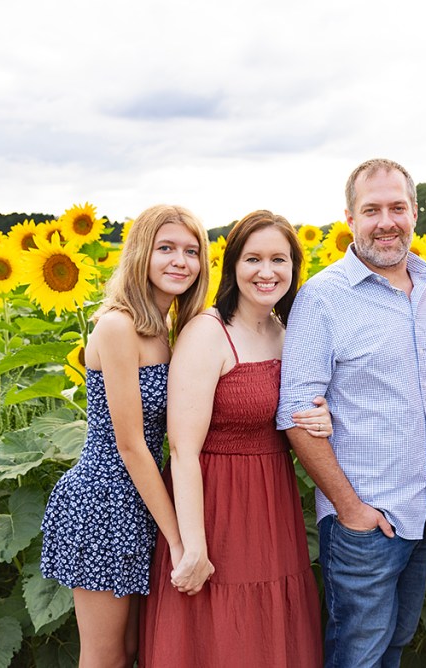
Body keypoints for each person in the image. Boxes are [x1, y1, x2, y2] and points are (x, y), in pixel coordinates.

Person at [277, 158, 426, 667]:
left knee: (393, 646)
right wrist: (351, 510)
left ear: (415, 212)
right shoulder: (323, 298)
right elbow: (295, 416)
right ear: (349, 219)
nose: (386, 221)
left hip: (425, 516)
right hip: (364, 523)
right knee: (359, 655)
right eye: (371, 209)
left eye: (397, 207)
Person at [138, 210, 327, 667]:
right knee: (220, 635)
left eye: (279, 259)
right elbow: (182, 450)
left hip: (272, 502)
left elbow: (293, 410)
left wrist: (322, 418)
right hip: (215, 503)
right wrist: (194, 544)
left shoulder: (286, 333)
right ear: (233, 266)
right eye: (253, 259)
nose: (267, 272)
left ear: (294, 267)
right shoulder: (208, 332)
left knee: (267, 632)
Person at [40, 204, 209, 667]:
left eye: (191, 251)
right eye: (166, 248)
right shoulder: (118, 326)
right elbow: (131, 444)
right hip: (103, 500)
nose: (180, 261)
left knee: (136, 649)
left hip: (141, 498)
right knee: (105, 657)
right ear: (140, 254)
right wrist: (178, 540)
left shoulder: (168, 328)